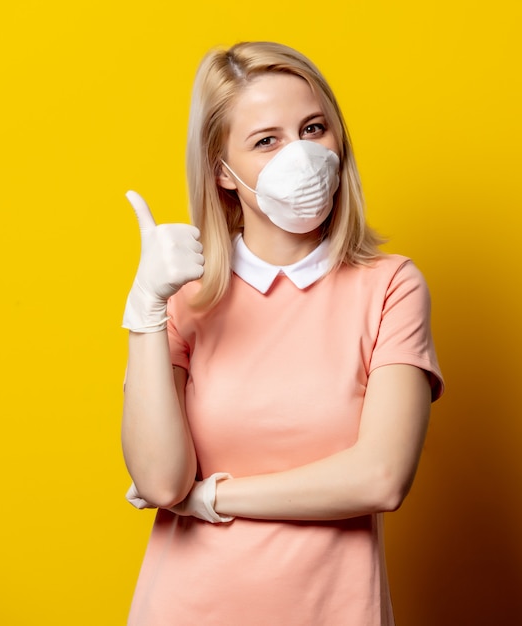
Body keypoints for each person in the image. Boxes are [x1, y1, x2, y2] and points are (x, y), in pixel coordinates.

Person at [121, 41, 444, 626]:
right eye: (266, 140)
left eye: (313, 128)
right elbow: (160, 479)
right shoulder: (188, 300)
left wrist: (212, 499)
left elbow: (381, 477)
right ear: (222, 170)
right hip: (187, 606)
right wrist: (146, 307)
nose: (301, 155)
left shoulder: (390, 287)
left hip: (335, 610)